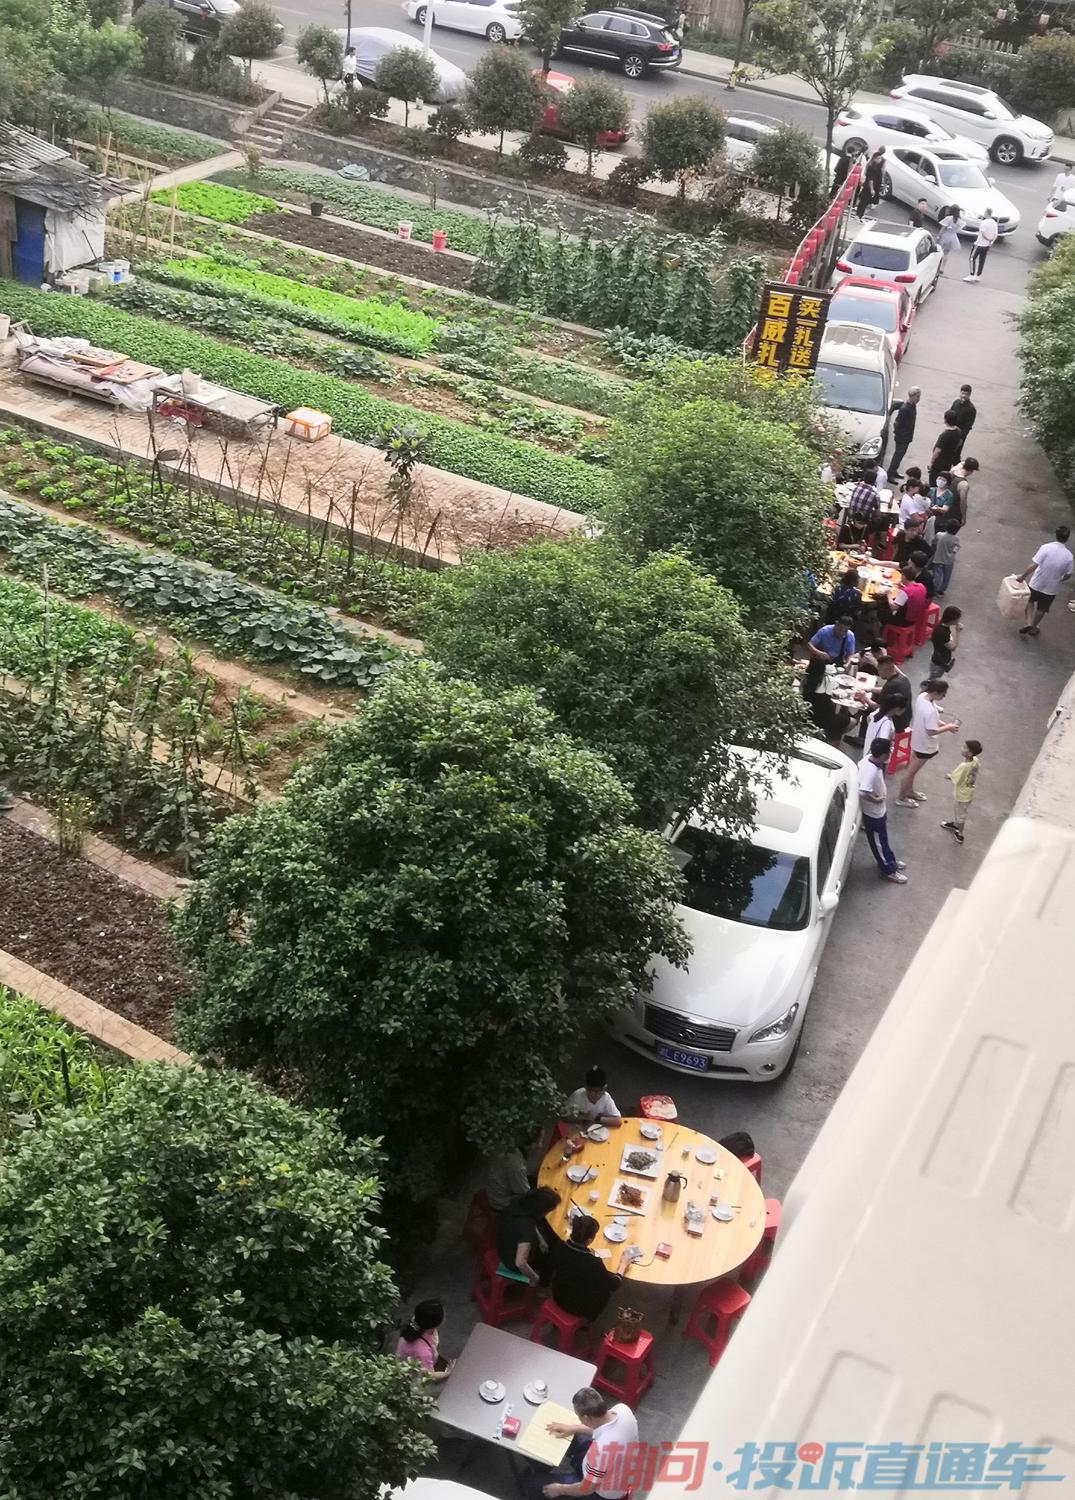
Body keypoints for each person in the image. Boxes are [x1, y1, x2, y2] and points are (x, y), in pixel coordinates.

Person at [542, 1388, 639, 1500]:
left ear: (586, 1418)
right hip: (621, 1472)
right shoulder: (622, 1410)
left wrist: (559, 1489)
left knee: (536, 1483)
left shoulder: (600, 1450)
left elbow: (587, 1489)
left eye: (579, 1417)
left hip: (601, 1494)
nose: (580, 1420)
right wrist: (571, 1428)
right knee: (578, 1436)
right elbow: (601, 1428)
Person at [548, 1215, 635, 1322]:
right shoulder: (593, 1262)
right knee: (604, 1291)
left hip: (557, 1294)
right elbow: (613, 1285)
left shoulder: (560, 1246)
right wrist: (623, 1265)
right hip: (578, 1307)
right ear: (589, 1240)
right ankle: (588, 1321)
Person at [896, 680, 961, 808]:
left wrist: (947, 725)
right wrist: (948, 728)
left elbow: (932, 721)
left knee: (911, 770)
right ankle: (901, 798)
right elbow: (931, 730)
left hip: (917, 739)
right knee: (910, 773)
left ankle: (909, 792)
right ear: (936, 692)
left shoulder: (923, 697)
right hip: (925, 746)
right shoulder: (930, 710)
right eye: (943, 694)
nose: (944, 697)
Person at [859, 738, 907, 884]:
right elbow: (862, 792)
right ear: (883, 755)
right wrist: (876, 799)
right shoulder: (872, 771)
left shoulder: (868, 759)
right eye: (889, 751)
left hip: (878, 811)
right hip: (873, 813)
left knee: (883, 840)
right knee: (879, 842)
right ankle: (888, 869)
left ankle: (890, 860)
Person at [1016, 525, 1073, 638]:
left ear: (1056, 535)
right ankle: (1033, 626)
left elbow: (1034, 565)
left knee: (1030, 601)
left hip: (1037, 582)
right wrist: (1061, 579)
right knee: (1042, 609)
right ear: (1067, 538)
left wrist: (1023, 576)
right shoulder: (1069, 556)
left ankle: (1027, 622)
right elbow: (1068, 574)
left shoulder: (1046, 548)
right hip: (1052, 588)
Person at [498, 1185, 560, 1286]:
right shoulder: (526, 1230)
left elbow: (530, 1220)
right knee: (550, 1258)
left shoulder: (520, 1201)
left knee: (545, 1244)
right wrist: (534, 1278)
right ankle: (543, 1285)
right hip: (509, 1260)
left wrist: (541, 1241)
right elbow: (520, 1263)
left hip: (502, 1239)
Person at [396, 1299, 454, 1382]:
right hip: (415, 1378)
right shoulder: (423, 1352)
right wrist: (448, 1373)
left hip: (424, 1360)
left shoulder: (417, 1322)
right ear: (435, 1323)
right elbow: (428, 1375)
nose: (445, 1315)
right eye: (443, 1315)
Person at [802, 615, 856, 698]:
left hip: (837, 662)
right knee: (815, 684)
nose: (842, 633)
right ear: (836, 624)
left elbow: (850, 653)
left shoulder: (850, 635)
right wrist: (819, 653)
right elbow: (809, 644)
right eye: (840, 629)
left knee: (838, 686)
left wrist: (847, 663)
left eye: (845, 631)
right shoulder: (824, 631)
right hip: (820, 661)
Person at [942, 739, 982, 845]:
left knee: (961, 815)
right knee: (959, 812)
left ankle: (960, 833)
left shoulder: (964, 766)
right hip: (969, 792)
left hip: (962, 795)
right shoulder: (975, 761)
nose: (961, 748)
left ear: (969, 753)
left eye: (964, 748)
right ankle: (955, 824)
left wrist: (949, 776)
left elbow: (956, 778)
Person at [486, 1136, 533, 1213]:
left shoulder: (507, 1144)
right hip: (501, 1204)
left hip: (495, 1191)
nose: (539, 1145)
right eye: (538, 1141)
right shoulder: (517, 1166)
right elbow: (524, 1192)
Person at [888, 388, 920, 478]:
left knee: (900, 455)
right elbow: (897, 423)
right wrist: (899, 433)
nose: (918, 399)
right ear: (912, 396)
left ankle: (894, 470)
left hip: (907, 436)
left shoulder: (912, 406)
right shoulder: (905, 409)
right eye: (917, 396)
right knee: (898, 455)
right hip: (902, 437)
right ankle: (890, 473)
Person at [929, 604, 963, 680]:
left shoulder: (942, 625)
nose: (959, 621)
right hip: (939, 663)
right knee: (932, 683)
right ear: (952, 619)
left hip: (938, 657)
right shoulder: (942, 632)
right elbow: (953, 647)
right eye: (958, 619)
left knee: (933, 680)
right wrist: (958, 632)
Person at [929, 415, 964, 485]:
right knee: (944, 479)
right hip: (949, 460)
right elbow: (960, 442)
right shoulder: (958, 431)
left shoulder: (945, 435)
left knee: (933, 481)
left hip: (939, 461)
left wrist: (931, 462)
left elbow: (938, 450)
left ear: (945, 420)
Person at [964, 210, 998, 283]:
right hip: (987, 245)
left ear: (986, 213)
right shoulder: (994, 223)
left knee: (972, 258)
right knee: (982, 260)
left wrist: (986, 238)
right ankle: (978, 275)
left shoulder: (984, 222)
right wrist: (990, 242)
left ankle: (972, 274)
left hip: (979, 243)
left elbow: (982, 232)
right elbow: (995, 234)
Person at [930, 523, 961, 598]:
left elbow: (934, 543)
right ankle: (941, 591)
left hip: (938, 558)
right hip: (949, 560)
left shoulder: (939, 535)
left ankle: (933, 590)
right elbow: (957, 547)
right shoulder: (956, 538)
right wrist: (953, 552)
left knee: (937, 575)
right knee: (946, 576)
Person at [857, 148, 885, 216]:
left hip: (870, 186)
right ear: (874, 158)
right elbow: (870, 179)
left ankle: (860, 214)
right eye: (879, 158)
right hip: (868, 187)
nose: (880, 160)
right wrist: (872, 189)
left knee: (865, 202)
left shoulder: (875, 166)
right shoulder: (871, 167)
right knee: (864, 201)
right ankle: (859, 215)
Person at [951, 456, 978, 528]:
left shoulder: (953, 470)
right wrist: (963, 517)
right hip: (953, 511)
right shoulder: (963, 484)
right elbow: (963, 502)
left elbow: (961, 463)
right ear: (971, 471)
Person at [938, 205, 961, 270]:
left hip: (945, 236)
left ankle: (938, 266)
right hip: (953, 237)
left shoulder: (948, 218)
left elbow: (943, 228)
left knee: (939, 251)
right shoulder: (959, 220)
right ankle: (942, 268)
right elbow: (958, 229)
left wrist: (938, 236)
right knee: (946, 254)